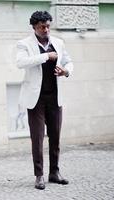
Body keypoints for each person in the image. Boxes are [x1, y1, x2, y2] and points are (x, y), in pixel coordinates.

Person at [16, 11, 74, 190]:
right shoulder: (24, 44)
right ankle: (39, 175)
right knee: (38, 138)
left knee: (55, 136)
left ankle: (54, 173)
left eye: (48, 26)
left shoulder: (58, 42)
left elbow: (69, 61)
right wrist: (46, 56)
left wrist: (66, 71)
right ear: (34, 27)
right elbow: (21, 63)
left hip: (55, 97)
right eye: (42, 27)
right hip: (36, 99)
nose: (46, 29)